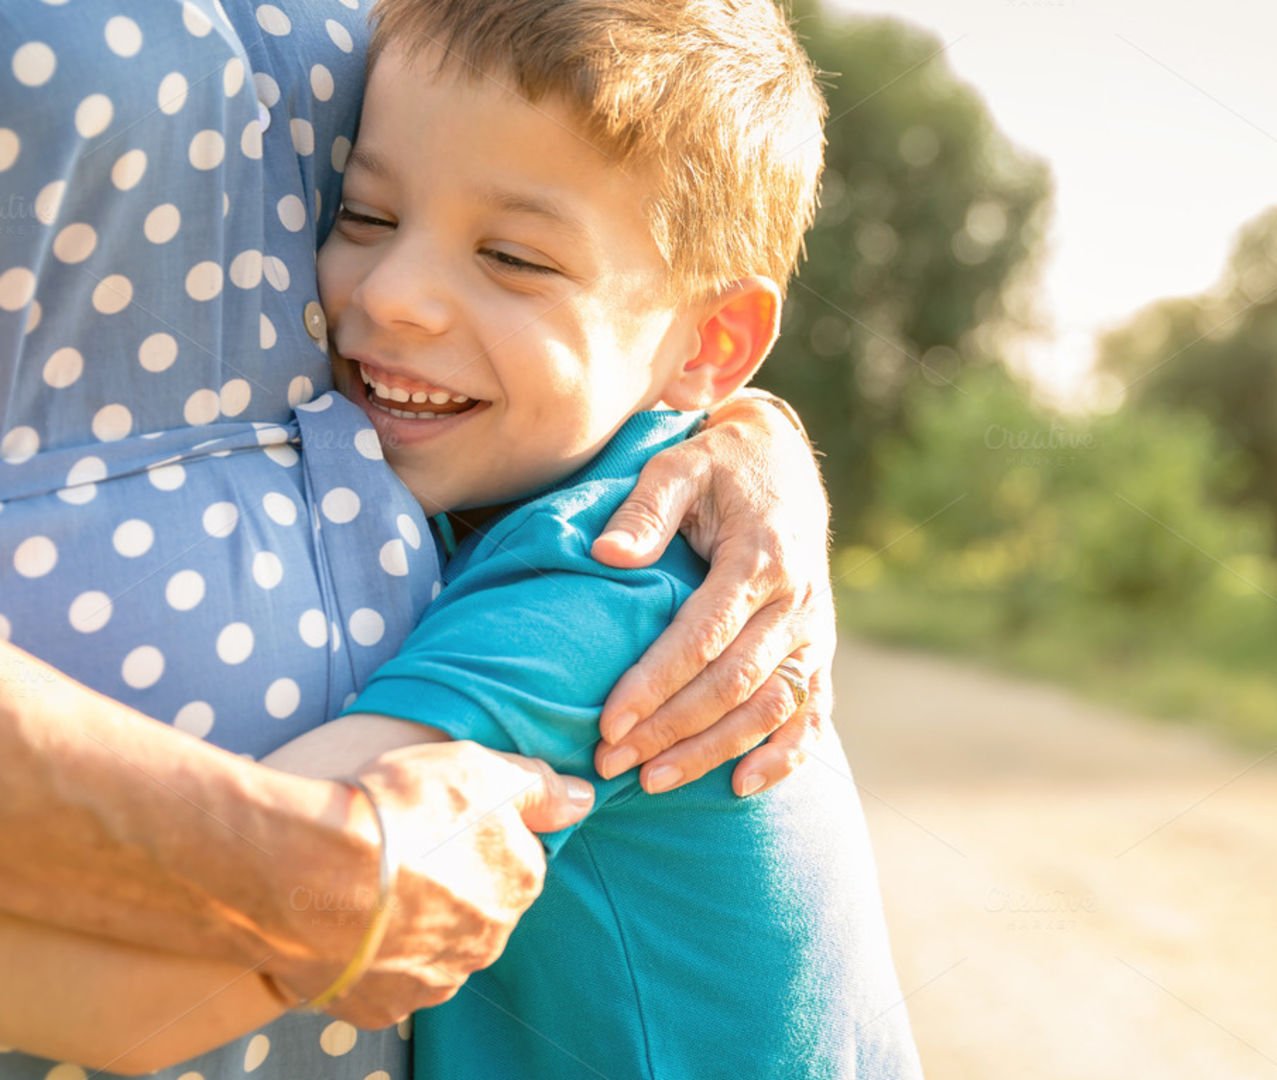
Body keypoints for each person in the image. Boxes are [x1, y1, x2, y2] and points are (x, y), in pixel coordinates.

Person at [5, 2, 922, 1075]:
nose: (393, 299)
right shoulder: (533, 496)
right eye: (366, 217)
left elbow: (139, 996)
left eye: (512, 257)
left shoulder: (605, 580)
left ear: (711, 344)